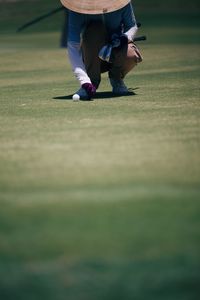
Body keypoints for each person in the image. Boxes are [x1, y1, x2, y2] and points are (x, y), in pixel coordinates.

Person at [60, 0, 142, 100]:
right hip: (91, 55)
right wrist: (84, 80)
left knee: (131, 55)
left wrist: (125, 37)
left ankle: (116, 78)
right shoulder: (76, 10)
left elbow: (132, 25)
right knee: (94, 28)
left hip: (117, 50)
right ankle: (92, 81)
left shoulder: (123, 3)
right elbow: (73, 45)